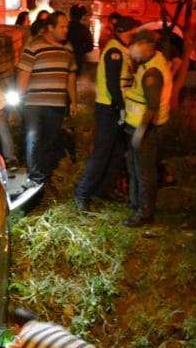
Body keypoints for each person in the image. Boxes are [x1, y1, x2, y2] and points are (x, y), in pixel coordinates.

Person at [74, 15, 138, 210]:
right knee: (102, 153)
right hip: (109, 109)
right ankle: (82, 193)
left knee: (117, 153)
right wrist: (120, 109)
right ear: (121, 32)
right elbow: (112, 84)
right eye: (130, 32)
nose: (133, 35)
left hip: (118, 108)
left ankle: (105, 190)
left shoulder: (123, 49)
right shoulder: (114, 52)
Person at [16, 11, 78, 186]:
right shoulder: (34, 46)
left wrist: (73, 100)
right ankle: (35, 179)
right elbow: (24, 74)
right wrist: (19, 96)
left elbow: (70, 76)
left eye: (67, 27)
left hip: (56, 104)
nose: (66, 30)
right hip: (34, 103)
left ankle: (44, 175)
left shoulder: (68, 49)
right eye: (62, 26)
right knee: (33, 139)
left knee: (49, 141)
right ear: (51, 27)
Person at [121, 29, 172, 227]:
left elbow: (152, 107)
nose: (131, 49)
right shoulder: (147, 63)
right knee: (135, 169)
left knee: (144, 173)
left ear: (148, 46)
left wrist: (140, 132)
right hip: (135, 126)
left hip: (146, 130)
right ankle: (136, 205)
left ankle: (144, 214)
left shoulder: (152, 72)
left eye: (135, 45)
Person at [67, 4, 94, 76]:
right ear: (82, 16)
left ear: (70, 15)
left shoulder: (64, 27)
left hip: (63, 60)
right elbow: (90, 47)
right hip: (78, 61)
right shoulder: (84, 30)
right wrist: (80, 50)